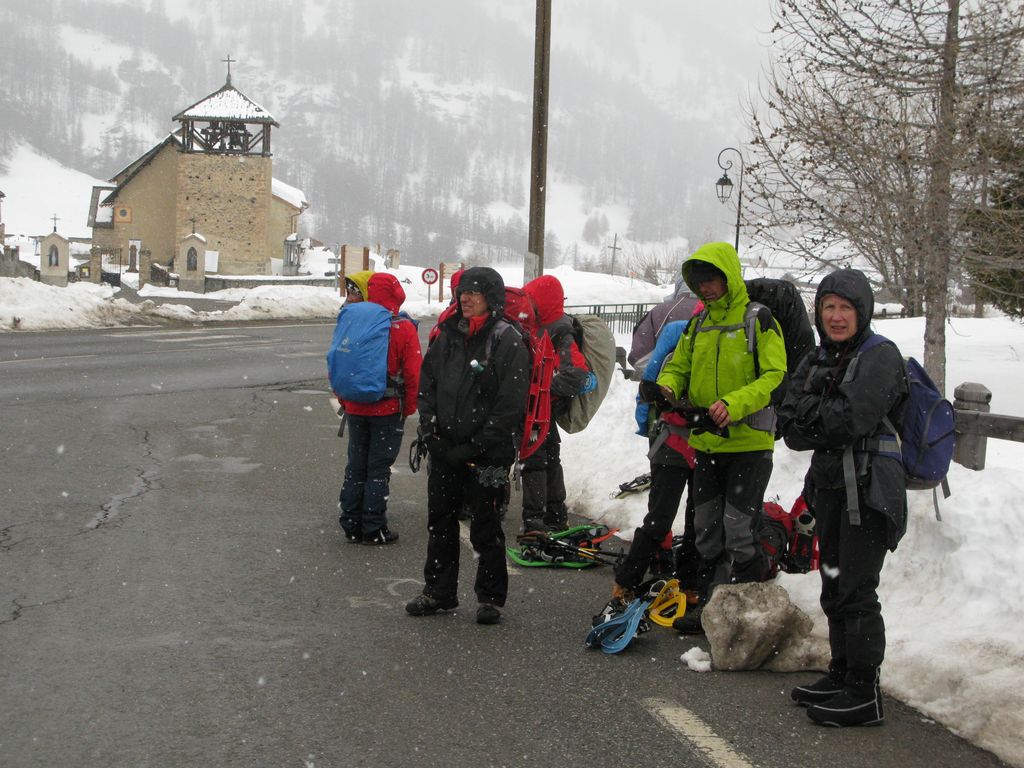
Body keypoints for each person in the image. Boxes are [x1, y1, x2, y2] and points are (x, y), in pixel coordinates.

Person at [778, 268, 908, 727]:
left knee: (855, 589)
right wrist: (821, 412)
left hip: (871, 491)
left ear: (862, 312)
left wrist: (817, 412)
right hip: (832, 487)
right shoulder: (819, 357)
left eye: (845, 308)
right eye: (828, 307)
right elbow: (790, 427)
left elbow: (848, 419)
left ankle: (864, 691)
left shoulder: (881, 356)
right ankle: (842, 672)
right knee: (833, 583)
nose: (836, 316)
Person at [655, 242, 787, 630]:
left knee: (738, 530)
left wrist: (735, 403)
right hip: (707, 443)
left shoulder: (758, 319)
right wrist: (665, 387)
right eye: (700, 283)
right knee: (707, 532)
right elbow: (677, 366)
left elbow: (775, 376)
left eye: (713, 280)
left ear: (728, 277)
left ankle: (745, 611)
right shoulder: (698, 324)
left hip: (748, 446)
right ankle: (713, 608)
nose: (707, 288)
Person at [407, 266, 529, 625]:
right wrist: (431, 433)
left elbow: (510, 405)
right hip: (445, 451)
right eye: (462, 291)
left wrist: (475, 445)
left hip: (488, 455)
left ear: (491, 299)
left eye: (474, 292)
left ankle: (490, 598)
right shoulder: (446, 335)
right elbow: (426, 386)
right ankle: (439, 592)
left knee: (486, 524)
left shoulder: (508, 340)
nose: (466, 297)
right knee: (440, 522)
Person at [599, 311, 702, 615]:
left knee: (690, 518)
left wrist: (646, 422)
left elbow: (650, 381)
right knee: (668, 517)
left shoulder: (717, 338)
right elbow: (652, 383)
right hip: (677, 438)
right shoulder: (681, 335)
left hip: (694, 439)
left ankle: (678, 582)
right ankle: (640, 582)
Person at [337, 273, 422, 545]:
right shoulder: (403, 328)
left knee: (356, 467)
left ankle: (351, 523)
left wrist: (345, 399)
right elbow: (413, 374)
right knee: (378, 469)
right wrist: (408, 406)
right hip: (386, 409)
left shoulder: (351, 320)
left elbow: (338, 363)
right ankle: (373, 527)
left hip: (355, 406)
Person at [519, 274, 590, 533]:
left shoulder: (560, 330)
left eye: (532, 300)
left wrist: (541, 391)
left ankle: (536, 519)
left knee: (536, 460)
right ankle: (555, 514)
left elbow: (577, 373)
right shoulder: (536, 326)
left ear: (544, 301)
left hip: (541, 410)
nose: (528, 306)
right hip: (539, 409)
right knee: (547, 458)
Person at [627, 275, 701, 376]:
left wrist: (653, 376)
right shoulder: (718, 312)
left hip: (662, 384)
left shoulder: (660, 311)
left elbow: (639, 356)